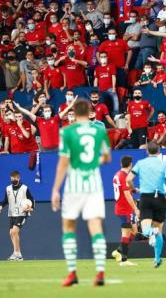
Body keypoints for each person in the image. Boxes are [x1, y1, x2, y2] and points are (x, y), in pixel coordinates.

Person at [50, 99, 111, 286]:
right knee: (95, 227)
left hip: (74, 184)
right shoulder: (100, 130)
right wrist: (94, 163)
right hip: (94, 183)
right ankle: (100, 272)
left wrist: (55, 189)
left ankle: (72, 273)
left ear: (74, 113)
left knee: (68, 226)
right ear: (90, 112)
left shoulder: (67, 131)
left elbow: (63, 162)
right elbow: (107, 157)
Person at [127, 142, 166, 268]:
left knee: (146, 228)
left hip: (146, 197)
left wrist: (134, 189)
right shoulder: (164, 163)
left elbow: (128, 179)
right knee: (158, 229)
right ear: (159, 151)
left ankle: (150, 232)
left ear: (147, 151)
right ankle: (157, 259)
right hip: (160, 197)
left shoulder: (141, 163)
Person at [111, 156, 139, 266]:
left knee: (134, 231)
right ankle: (124, 259)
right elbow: (126, 194)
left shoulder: (117, 175)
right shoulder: (124, 177)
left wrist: (134, 189)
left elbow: (125, 190)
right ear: (130, 164)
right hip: (125, 208)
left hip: (120, 207)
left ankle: (118, 251)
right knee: (126, 233)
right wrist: (135, 208)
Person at [0, 170, 34, 261]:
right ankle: (16, 253)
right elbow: (5, 200)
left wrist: (31, 208)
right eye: (11, 178)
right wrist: (1, 206)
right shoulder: (8, 189)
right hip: (12, 214)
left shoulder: (24, 188)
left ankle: (18, 254)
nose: (13, 179)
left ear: (18, 178)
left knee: (14, 231)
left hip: (22, 213)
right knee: (11, 233)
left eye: (15, 178)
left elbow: (31, 199)